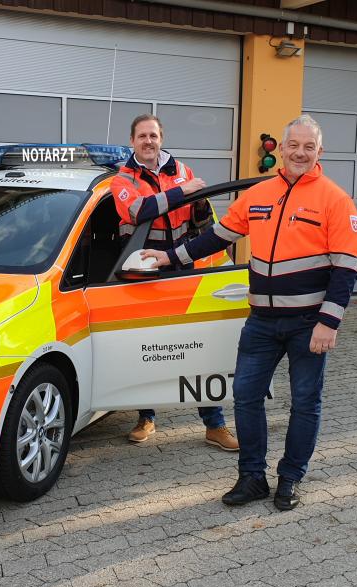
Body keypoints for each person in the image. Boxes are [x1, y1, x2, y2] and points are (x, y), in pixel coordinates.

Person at [142, 114, 357, 510]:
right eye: (293, 145)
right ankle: (252, 477)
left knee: (305, 403)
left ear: (319, 152)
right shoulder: (260, 193)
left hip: (309, 323)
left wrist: (329, 321)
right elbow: (216, 236)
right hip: (261, 320)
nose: (299, 153)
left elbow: (347, 268)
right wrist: (169, 257)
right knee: (244, 396)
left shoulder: (335, 199)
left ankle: (290, 478)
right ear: (282, 147)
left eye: (308, 147)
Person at [110, 113, 239, 451]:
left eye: (153, 135)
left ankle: (215, 425)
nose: (148, 141)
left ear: (161, 138)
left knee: (199, 350)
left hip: (184, 273)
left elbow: (205, 221)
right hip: (144, 277)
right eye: (142, 136)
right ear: (133, 141)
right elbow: (138, 211)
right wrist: (183, 192)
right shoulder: (122, 179)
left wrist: (197, 205)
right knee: (146, 349)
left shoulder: (183, 170)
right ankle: (146, 417)